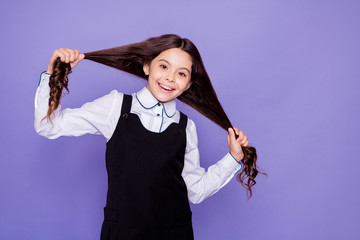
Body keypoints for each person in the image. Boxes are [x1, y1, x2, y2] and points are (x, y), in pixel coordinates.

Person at [34, 34, 258, 240]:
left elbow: (196, 192)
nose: (170, 78)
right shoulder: (116, 106)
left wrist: (233, 158)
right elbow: (49, 126)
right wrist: (52, 75)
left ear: (188, 84)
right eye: (163, 66)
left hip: (174, 233)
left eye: (181, 73)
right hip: (122, 232)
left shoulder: (185, 127)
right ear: (147, 66)